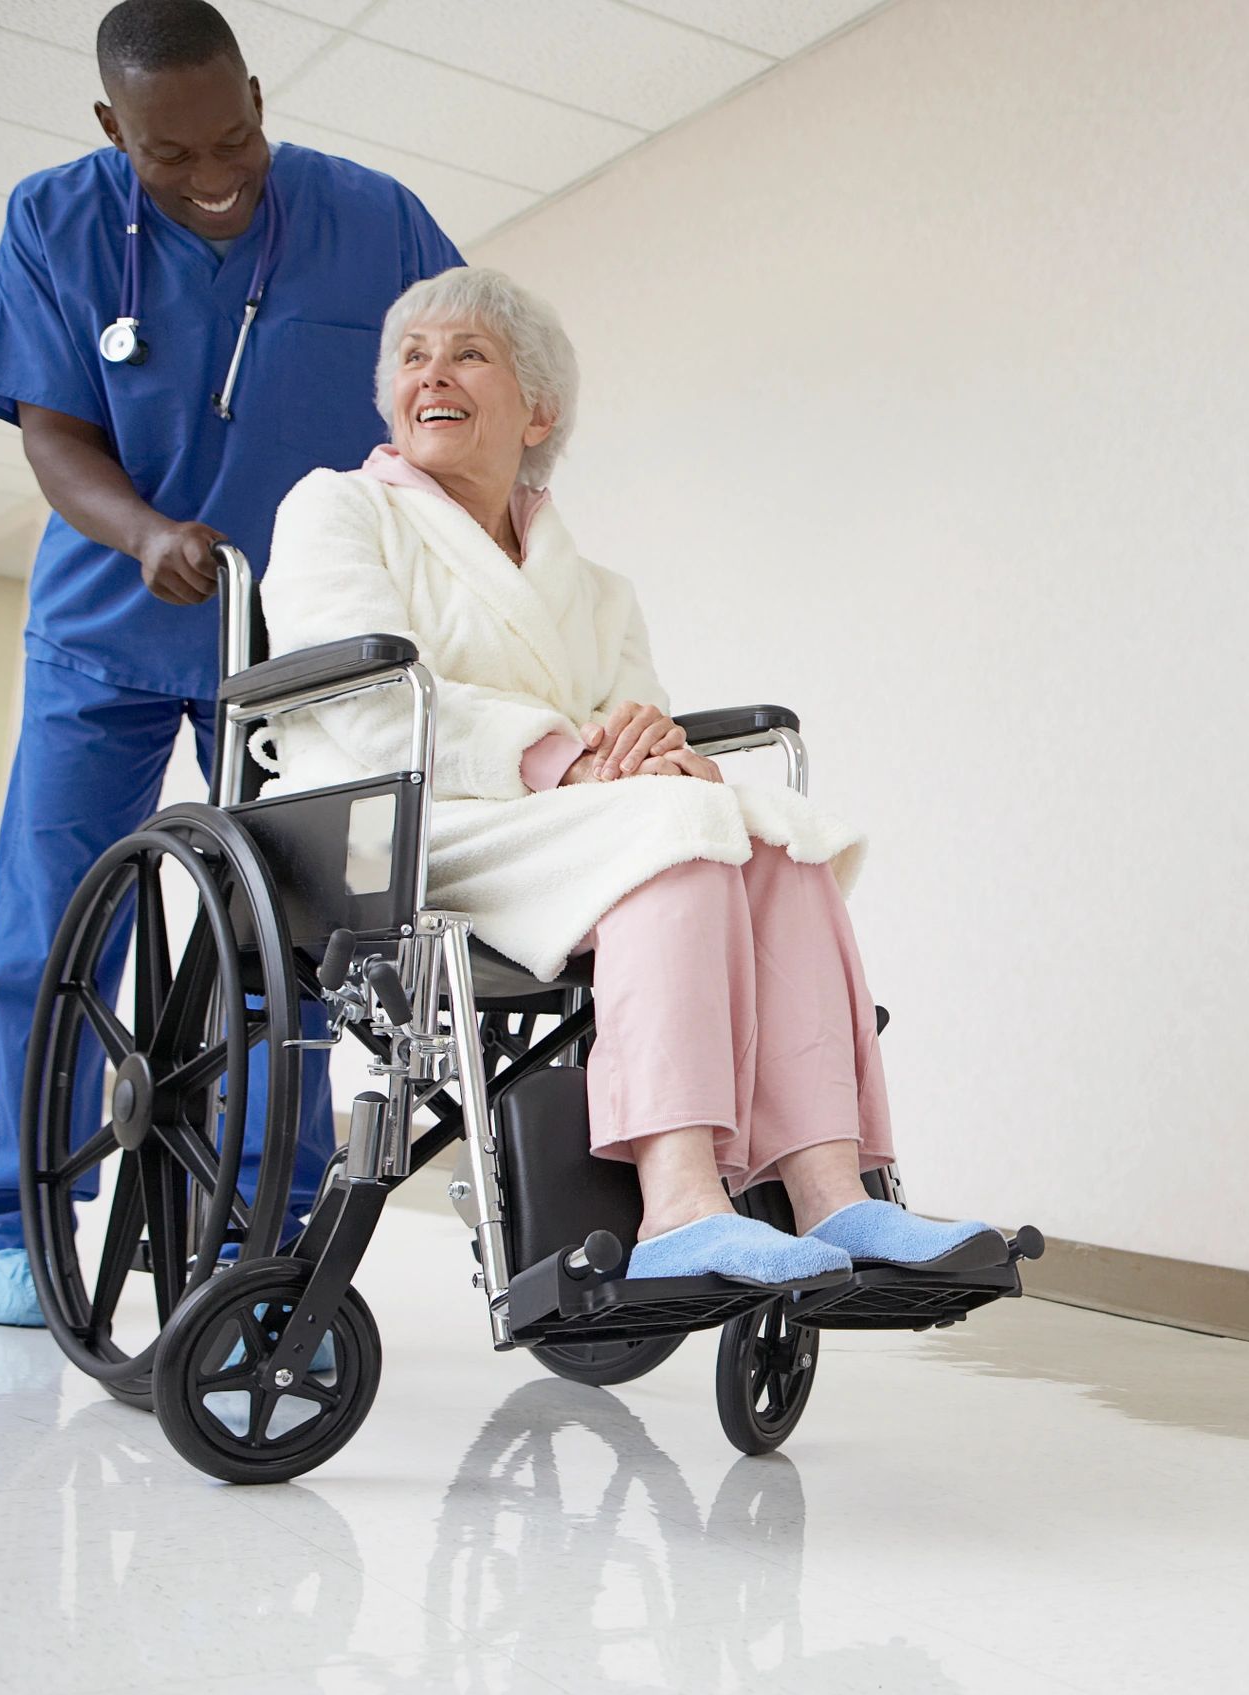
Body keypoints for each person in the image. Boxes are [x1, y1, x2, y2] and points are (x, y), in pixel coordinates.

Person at [262, 267, 997, 1282]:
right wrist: (567, 759)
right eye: (413, 358)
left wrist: (663, 752)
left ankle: (835, 1195)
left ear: (539, 411)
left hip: (560, 834)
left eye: (468, 354)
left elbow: (630, 725)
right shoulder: (338, 511)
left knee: (776, 836)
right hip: (400, 825)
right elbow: (366, 698)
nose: (431, 375)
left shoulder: (597, 590)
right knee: (677, 833)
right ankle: (680, 1204)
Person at [0, 0, 465, 1325]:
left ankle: (265, 1220)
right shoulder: (54, 222)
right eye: (172, 154)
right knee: (57, 923)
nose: (216, 172)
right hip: (110, 626)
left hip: (301, 647)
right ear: (114, 129)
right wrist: (143, 531)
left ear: (258, 93)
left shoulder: (377, 220)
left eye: (236, 132)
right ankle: (14, 1216)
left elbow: (445, 395)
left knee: (290, 943)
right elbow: (53, 433)